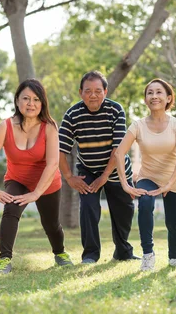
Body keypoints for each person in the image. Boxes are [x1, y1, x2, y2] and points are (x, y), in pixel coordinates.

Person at [0, 79, 73, 275]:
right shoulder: (5, 127)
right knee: (11, 210)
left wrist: (37, 193)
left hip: (47, 182)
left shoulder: (49, 127)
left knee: (51, 223)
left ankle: (60, 253)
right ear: (17, 101)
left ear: (42, 103)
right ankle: (5, 259)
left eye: (36, 99)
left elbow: (53, 163)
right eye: (26, 98)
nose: (31, 104)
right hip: (17, 179)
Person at [58, 70, 137, 264]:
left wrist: (105, 176)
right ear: (80, 92)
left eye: (97, 91)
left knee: (124, 211)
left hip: (117, 168)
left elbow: (118, 149)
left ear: (105, 91)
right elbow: (60, 150)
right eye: (88, 91)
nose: (93, 95)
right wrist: (69, 177)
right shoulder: (72, 114)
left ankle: (123, 251)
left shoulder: (116, 110)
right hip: (88, 170)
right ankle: (91, 255)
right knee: (88, 209)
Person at [114, 79, 176, 271]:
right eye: (150, 93)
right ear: (146, 99)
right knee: (146, 202)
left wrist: (168, 184)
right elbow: (119, 153)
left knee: (174, 224)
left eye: (159, 92)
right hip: (148, 177)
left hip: (173, 179)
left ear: (168, 98)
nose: (154, 96)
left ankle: (174, 258)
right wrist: (125, 183)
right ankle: (148, 255)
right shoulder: (138, 125)